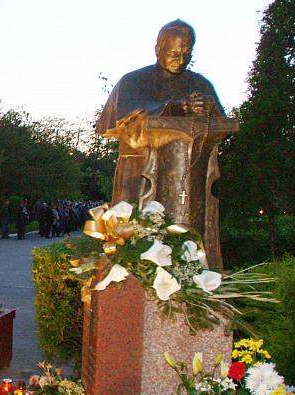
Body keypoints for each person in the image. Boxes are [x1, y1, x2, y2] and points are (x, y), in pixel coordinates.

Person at [95, 19, 230, 267]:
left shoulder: (200, 84)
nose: (180, 59)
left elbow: (223, 124)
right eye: (173, 53)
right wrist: (176, 107)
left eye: (186, 53)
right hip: (139, 172)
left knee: (190, 246)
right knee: (132, 246)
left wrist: (208, 110)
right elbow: (129, 120)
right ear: (158, 49)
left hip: (189, 180)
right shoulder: (133, 81)